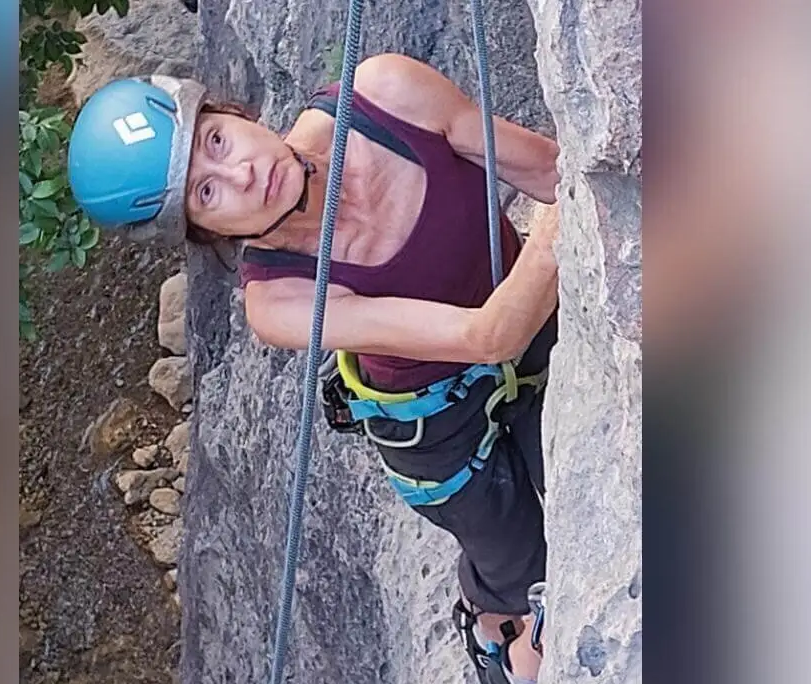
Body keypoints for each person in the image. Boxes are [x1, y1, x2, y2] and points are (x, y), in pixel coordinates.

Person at [67, 52, 560, 684]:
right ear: (201, 228)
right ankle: (497, 633)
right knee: (529, 576)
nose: (242, 173)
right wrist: (565, 214)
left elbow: (546, 169)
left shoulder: (384, 95)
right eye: (206, 190)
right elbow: (486, 334)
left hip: (535, 331)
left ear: (231, 111)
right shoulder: (279, 301)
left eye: (215, 140)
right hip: (438, 435)